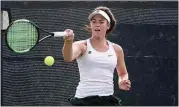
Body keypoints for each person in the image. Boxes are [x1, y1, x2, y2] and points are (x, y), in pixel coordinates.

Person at [62, 6, 131, 106]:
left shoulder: (117, 49)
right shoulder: (82, 46)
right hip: (84, 100)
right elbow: (67, 57)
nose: (97, 25)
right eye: (94, 22)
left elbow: (122, 73)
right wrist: (68, 42)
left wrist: (122, 81)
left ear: (108, 25)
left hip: (107, 100)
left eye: (101, 22)